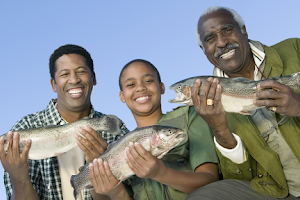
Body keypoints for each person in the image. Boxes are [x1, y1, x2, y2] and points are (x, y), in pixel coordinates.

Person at [186, 6, 300, 200]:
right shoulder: (205, 104)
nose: (221, 42)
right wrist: (220, 130)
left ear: (244, 31)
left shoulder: (294, 49)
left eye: (227, 30)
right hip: (278, 193)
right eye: (210, 39)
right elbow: (240, 177)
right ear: (203, 50)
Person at [0, 44, 129, 200]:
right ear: (54, 84)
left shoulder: (115, 130)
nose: (74, 80)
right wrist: (18, 176)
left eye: (81, 71)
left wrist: (101, 169)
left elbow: (127, 195)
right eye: (64, 74)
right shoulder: (24, 129)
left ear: (93, 78)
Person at [87, 59, 219, 200]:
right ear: (122, 96)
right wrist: (117, 193)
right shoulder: (119, 148)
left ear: (161, 87)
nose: (140, 88)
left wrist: (161, 173)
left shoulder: (189, 116)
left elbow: (210, 179)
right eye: (131, 84)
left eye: (148, 81)